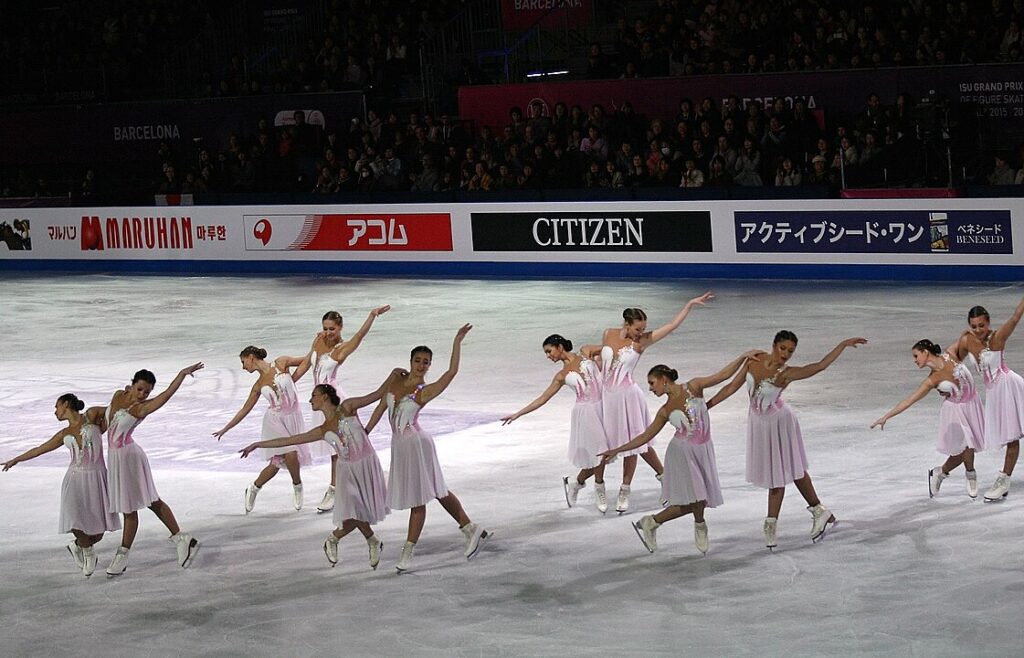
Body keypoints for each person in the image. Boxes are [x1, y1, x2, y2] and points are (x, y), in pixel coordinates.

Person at [709, 332, 866, 549]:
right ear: (774, 345)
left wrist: (842, 344)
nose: (786, 354)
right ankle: (819, 510)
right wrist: (707, 407)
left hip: (779, 422)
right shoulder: (753, 360)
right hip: (759, 422)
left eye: (790, 351)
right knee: (793, 468)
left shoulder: (787, 373)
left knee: (780, 473)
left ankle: (771, 523)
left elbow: (820, 366)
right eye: (783, 348)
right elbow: (730, 388)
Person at [599, 353, 762, 555]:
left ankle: (654, 522)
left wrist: (743, 358)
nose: (650, 388)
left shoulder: (693, 386)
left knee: (698, 499)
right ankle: (696, 525)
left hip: (703, 449)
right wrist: (617, 449)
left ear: (663, 379)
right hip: (682, 454)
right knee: (698, 499)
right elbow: (645, 436)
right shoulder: (665, 410)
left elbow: (722, 376)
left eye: (652, 383)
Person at [364, 325, 490, 572]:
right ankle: (472, 530)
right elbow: (380, 407)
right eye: (418, 361)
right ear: (410, 361)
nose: (421, 365)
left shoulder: (425, 391)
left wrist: (457, 341)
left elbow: (451, 372)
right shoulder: (395, 381)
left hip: (418, 445)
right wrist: (366, 432)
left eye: (426, 362)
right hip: (400, 446)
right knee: (437, 491)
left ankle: (408, 552)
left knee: (419, 499)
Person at [240, 381, 398, 570]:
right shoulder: (322, 430)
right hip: (347, 470)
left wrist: (394, 375)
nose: (310, 400)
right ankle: (347, 539)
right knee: (357, 509)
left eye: (314, 395)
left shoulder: (348, 407)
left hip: (367, 464)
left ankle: (361, 540)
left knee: (360, 510)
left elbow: (377, 393)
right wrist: (258, 444)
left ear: (324, 397)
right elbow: (290, 440)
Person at [600, 293, 714, 514]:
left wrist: (689, 305)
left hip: (628, 397)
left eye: (643, 329)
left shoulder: (641, 342)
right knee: (616, 443)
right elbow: (602, 356)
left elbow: (671, 326)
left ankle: (625, 489)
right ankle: (662, 476)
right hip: (608, 398)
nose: (641, 333)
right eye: (637, 328)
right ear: (627, 323)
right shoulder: (608, 334)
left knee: (635, 443)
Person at [2, 394, 121, 577]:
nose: (55, 411)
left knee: (98, 533)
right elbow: (39, 449)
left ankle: (77, 546)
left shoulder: (92, 416)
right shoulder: (64, 434)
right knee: (73, 517)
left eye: (56, 406)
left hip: (97, 478)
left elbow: (116, 411)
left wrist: (127, 396)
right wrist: (16, 459)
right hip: (74, 479)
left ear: (66, 404)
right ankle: (88, 553)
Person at [104, 364, 204, 576]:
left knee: (133, 507)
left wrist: (181, 374)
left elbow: (167, 394)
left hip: (129, 458)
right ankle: (181, 538)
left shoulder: (142, 409)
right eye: (139, 389)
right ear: (131, 385)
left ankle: (122, 555)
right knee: (148, 502)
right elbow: (108, 422)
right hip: (115, 458)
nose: (142, 394)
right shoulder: (117, 396)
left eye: (147, 392)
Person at [290, 306, 390, 513]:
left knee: (338, 448)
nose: (328, 333)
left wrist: (372, 315)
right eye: (325, 328)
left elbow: (360, 336)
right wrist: (289, 384)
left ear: (340, 328)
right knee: (332, 447)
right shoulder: (318, 341)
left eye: (332, 329)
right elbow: (305, 366)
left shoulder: (341, 349)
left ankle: (335, 489)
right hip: (320, 400)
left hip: (334, 401)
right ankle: (342, 486)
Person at [501, 335, 609, 511]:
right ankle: (599, 486)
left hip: (605, 405)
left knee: (606, 454)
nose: (548, 356)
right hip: (586, 412)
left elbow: (610, 348)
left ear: (560, 347)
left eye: (549, 351)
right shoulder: (561, 375)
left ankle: (576, 482)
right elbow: (543, 398)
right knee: (600, 452)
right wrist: (518, 414)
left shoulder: (586, 352)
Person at [872, 339, 986, 498]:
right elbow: (909, 400)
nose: (914, 360)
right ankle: (970, 474)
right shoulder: (932, 380)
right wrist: (886, 416)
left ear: (926, 352)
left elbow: (967, 339)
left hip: (973, 404)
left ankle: (940, 472)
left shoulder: (951, 354)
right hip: (956, 411)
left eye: (916, 355)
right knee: (967, 445)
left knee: (964, 449)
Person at [213, 346, 310, 513]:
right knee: (291, 452)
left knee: (277, 463)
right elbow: (245, 409)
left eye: (243, 362)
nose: (243, 367)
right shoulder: (258, 385)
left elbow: (308, 360)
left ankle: (254, 487)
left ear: (251, 357)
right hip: (274, 421)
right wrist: (226, 428)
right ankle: (297, 486)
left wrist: (319, 342)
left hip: (293, 417)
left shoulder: (281, 362)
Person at [947, 299, 1024, 501]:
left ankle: (1003, 480)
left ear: (988, 323)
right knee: (1010, 435)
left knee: (1011, 436)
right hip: (994, 394)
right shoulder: (967, 340)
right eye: (974, 326)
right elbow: (950, 358)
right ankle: (1004, 479)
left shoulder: (997, 338)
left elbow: (1016, 316)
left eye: (982, 325)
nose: (978, 329)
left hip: (1008, 387)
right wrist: (945, 381)